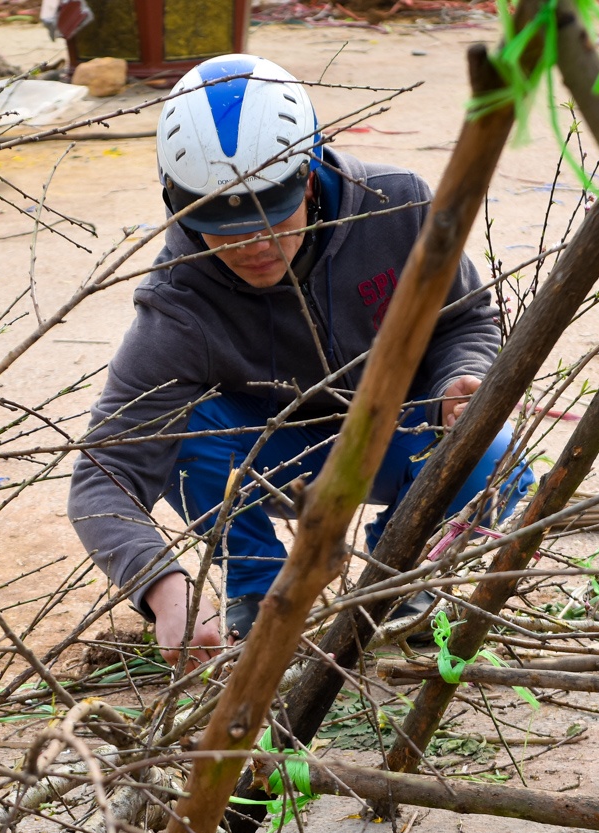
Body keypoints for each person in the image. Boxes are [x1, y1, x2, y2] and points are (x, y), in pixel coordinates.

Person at [66, 54, 530, 661]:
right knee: (182, 432)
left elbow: (465, 319)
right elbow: (103, 473)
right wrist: (163, 587)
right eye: (222, 227)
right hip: (269, 454)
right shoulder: (179, 303)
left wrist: (460, 379)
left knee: (494, 450)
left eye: (271, 214)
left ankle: (391, 580)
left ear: (308, 176)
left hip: (397, 434)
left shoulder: (396, 208)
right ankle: (257, 592)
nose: (253, 245)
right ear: (179, 204)